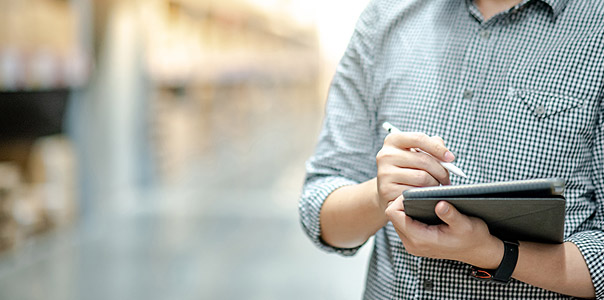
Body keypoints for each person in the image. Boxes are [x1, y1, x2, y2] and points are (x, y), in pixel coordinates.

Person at [299, 0, 604, 298]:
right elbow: (320, 210)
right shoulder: (385, 16)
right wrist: (379, 195)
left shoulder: (594, 26)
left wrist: (494, 253)